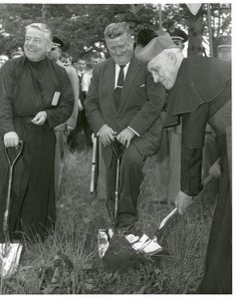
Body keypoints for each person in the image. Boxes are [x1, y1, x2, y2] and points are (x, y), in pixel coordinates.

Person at [135, 32, 231, 293]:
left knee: (228, 223)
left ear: (171, 57)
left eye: (156, 70)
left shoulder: (190, 77)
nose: (155, 78)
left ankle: (220, 290)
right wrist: (223, 159)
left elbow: (192, 143)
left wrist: (187, 190)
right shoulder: (198, 68)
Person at [84, 22, 166, 238]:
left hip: (141, 133)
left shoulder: (148, 65)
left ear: (132, 40)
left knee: (129, 163)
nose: (118, 52)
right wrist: (100, 127)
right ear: (106, 46)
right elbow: (91, 103)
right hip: (109, 135)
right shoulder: (101, 69)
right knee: (111, 178)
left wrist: (132, 129)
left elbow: (156, 102)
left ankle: (127, 223)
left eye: (123, 46)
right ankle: (114, 222)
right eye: (113, 48)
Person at [0, 23, 74, 243]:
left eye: (37, 40)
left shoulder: (59, 73)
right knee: (12, 184)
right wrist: (8, 130)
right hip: (14, 134)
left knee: (38, 186)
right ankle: (5, 235)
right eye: (27, 38)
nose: (30, 44)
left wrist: (49, 116)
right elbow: (3, 102)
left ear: (49, 46)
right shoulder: (10, 68)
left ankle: (33, 236)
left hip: (43, 135)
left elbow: (67, 105)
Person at [47, 36, 79, 198]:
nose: (50, 52)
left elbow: (73, 97)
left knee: (55, 162)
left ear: (59, 51)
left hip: (59, 123)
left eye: (53, 49)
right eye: (48, 48)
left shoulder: (68, 71)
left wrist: (71, 122)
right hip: (39, 124)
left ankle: (54, 195)